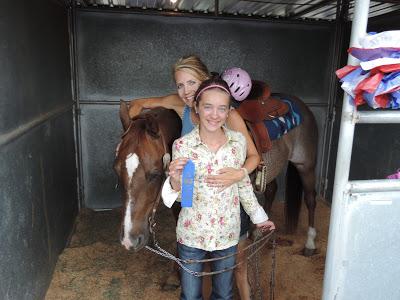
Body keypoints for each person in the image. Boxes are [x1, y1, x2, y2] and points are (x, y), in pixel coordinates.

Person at [128, 55, 259, 298]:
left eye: (191, 83)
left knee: (233, 263)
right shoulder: (183, 106)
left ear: (205, 80)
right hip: (195, 204)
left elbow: (253, 156)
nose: (186, 91)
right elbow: (141, 103)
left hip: (227, 198)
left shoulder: (227, 115)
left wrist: (238, 174)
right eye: (180, 85)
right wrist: (129, 127)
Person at [161, 76, 275, 300]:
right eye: (208, 107)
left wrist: (259, 217)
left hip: (227, 235)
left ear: (228, 111)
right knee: (191, 296)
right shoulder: (182, 146)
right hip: (192, 234)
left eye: (222, 109)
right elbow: (183, 198)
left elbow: (243, 186)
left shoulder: (237, 143)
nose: (215, 115)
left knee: (223, 294)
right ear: (197, 107)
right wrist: (175, 180)